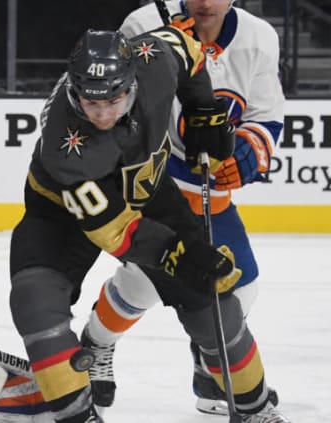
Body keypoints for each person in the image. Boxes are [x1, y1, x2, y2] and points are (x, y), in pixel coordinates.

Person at [8, 26, 289, 423]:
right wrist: (176, 254)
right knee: (35, 302)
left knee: (213, 305)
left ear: (132, 81)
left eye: (114, 99)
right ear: (74, 91)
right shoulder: (65, 147)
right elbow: (116, 230)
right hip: (61, 212)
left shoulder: (153, 59)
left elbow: (190, 51)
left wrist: (201, 107)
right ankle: (76, 416)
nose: (102, 114)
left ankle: (255, 408)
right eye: (90, 102)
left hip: (149, 191)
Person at [79, 0, 285, 417]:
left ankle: (208, 364)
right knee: (147, 280)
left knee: (241, 288)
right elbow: (121, 119)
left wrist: (245, 153)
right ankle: (98, 342)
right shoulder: (143, 24)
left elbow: (265, 115)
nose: (206, 2)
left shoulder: (260, 37)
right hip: (154, 186)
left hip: (209, 192)